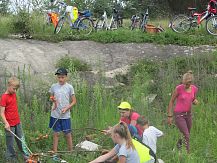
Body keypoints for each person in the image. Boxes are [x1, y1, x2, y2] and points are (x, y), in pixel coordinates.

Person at [167, 70, 199, 153]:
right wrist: (170, 116)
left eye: (188, 83)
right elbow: (171, 101)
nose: (186, 85)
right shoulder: (179, 88)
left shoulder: (194, 89)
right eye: (184, 83)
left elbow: (193, 99)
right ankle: (187, 154)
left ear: (191, 82)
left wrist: (195, 101)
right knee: (186, 135)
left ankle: (178, 147)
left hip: (188, 114)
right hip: (179, 115)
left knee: (186, 134)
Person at [0, 77, 29, 162]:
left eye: (16, 89)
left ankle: (26, 155)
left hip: (17, 122)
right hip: (9, 125)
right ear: (8, 85)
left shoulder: (13, 94)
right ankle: (11, 158)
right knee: (10, 142)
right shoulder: (4, 97)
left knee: (21, 139)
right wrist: (6, 123)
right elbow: (1, 113)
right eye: (14, 89)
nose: (15, 91)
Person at [49, 68, 76, 152]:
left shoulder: (69, 87)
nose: (60, 79)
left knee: (67, 134)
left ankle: (71, 151)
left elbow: (74, 101)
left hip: (65, 115)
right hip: (55, 114)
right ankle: (55, 152)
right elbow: (51, 97)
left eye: (62, 77)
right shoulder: (54, 86)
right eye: (59, 77)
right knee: (56, 133)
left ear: (66, 77)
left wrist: (67, 108)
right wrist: (52, 99)